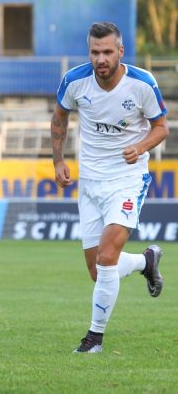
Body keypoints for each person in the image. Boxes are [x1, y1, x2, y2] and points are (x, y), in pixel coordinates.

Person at [51, 21, 168, 353]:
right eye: (94, 52)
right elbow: (59, 118)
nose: (100, 59)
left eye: (106, 52)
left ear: (120, 51)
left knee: (106, 258)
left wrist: (142, 146)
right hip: (90, 181)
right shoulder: (75, 81)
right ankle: (146, 262)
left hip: (127, 180)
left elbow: (161, 127)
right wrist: (57, 160)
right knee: (97, 270)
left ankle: (94, 339)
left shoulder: (142, 84)